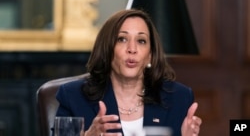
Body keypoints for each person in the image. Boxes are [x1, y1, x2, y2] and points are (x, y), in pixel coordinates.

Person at [54, 9, 202, 136]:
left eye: (141, 41)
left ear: (150, 54)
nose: (132, 49)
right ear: (107, 50)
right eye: (122, 39)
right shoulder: (73, 97)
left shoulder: (178, 98)